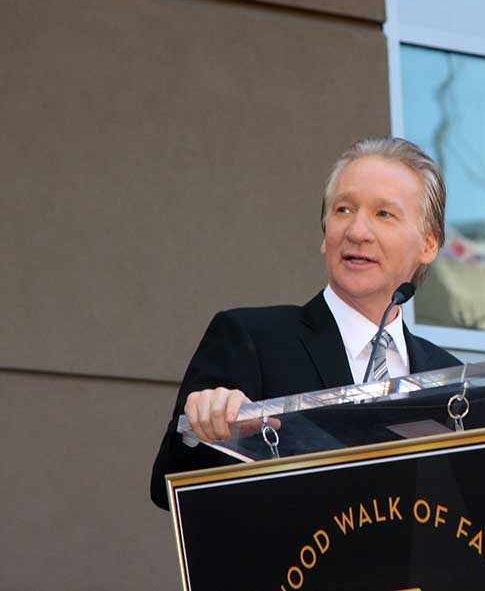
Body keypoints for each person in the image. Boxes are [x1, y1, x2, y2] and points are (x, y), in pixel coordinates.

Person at [150, 138, 462, 509]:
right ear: (325, 234)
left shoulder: (451, 379)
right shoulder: (252, 340)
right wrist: (206, 430)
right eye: (344, 210)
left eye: (383, 214)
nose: (357, 231)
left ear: (428, 244)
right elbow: (169, 487)